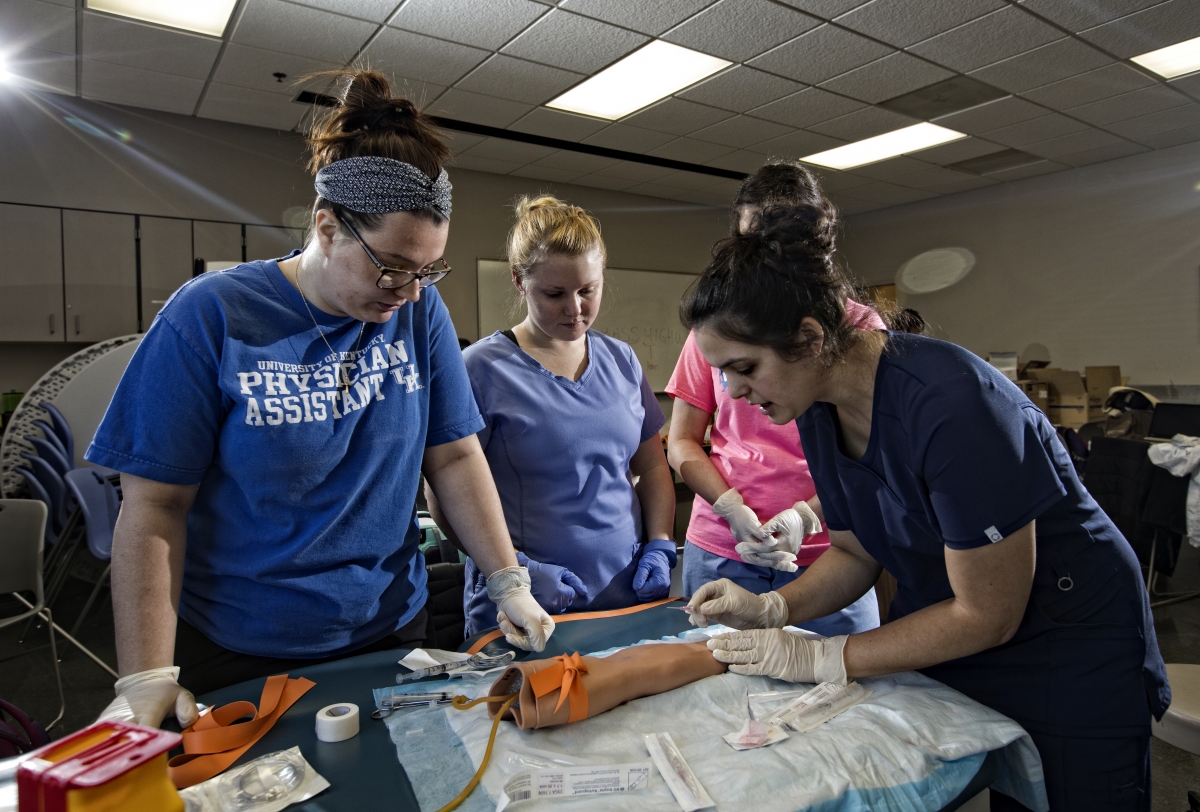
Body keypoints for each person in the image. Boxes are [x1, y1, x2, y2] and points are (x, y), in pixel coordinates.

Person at [87, 70, 553, 730]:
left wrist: (506, 578)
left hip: (390, 631)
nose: (409, 291)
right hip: (240, 650)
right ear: (327, 226)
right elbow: (155, 503)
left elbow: (452, 456)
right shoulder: (214, 316)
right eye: (391, 266)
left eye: (427, 270)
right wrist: (145, 675)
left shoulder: (418, 314)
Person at [683, 206, 1169, 811]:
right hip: (956, 628)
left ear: (808, 338)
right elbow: (854, 550)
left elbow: (986, 613)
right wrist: (774, 607)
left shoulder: (954, 406)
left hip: (1068, 638)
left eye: (744, 368)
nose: (732, 392)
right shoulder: (815, 406)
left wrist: (825, 655)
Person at [428, 196, 676, 637]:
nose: (575, 309)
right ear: (519, 282)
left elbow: (653, 466)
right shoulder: (480, 370)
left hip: (623, 596)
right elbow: (445, 497)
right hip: (523, 604)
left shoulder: (622, 361)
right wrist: (515, 571)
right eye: (554, 294)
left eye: (588, 291)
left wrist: (659, 544)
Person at [666, 160, 881, 636]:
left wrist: (808, 515)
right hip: (724, 547)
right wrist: (730, 508)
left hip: (830, 553)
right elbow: (681, 440)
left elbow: (875, 462)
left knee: (838, 690)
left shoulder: (860, 338)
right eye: (730, 371)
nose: (739, 390)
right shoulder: (716, 331)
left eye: (746, 368)